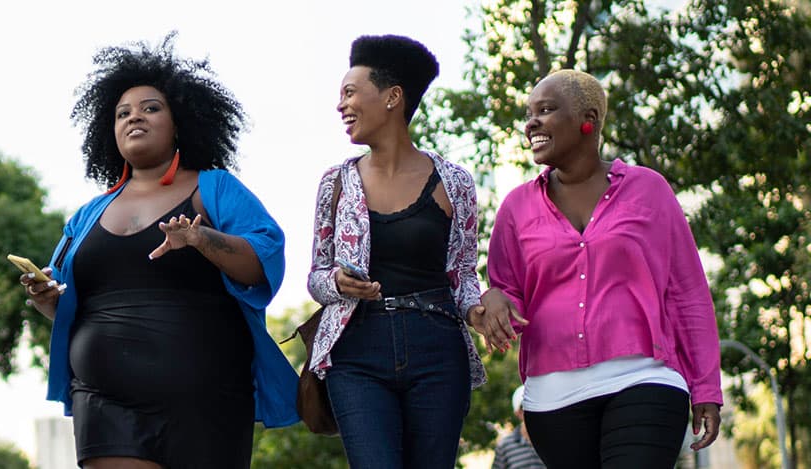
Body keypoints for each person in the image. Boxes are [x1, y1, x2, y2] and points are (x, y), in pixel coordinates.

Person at [19, 33, 298, 469]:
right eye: (122, 113)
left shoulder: (215, 188)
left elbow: (262, 266)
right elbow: (69, 305)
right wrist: (48, 299)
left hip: (206, 398)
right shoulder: (88, 214)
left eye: (151, 108)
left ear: (180, 121)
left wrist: (201, 239)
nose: (135, 118)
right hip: (104, 400)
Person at [478, 69, 723, 468]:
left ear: (587, 118)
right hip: (553, 400)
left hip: (646, 378)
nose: (531, 122)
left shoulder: (649, 190)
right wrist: (493, 302)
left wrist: (706, 387)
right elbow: (507, 295)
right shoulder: (515, 208)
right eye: (529, 113)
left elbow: (689, 293)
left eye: (546, 109)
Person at [307, 34, 486, 469]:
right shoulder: (336, 183)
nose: (340, 105)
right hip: (356, 352)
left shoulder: (455, 183)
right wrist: (336, 282)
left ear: (393, 98)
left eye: (350, 92)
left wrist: (479, 311)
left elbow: (463, 276)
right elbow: (315, 277)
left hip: (437, 349)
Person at [491, 385, 546, 469]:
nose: (532, 410)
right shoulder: (505, 446)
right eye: (525, 406)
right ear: (518, 413)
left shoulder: (553, 440)